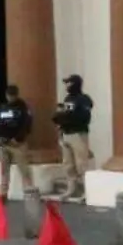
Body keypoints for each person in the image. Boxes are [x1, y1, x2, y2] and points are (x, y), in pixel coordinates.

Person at [53, 74, 94, 203]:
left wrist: (67, 117)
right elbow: (64, 114)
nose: (66, 86)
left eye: (68, 83)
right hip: (66, 133)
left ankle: (87, 191)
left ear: (75, 84)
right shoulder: (67, 98)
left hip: (78, 133)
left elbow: (84, 117)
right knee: (68, 165)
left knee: (82, 164)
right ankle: (71, 189)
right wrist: (60, 118)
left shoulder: (84, 99)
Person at [0, 84, 33, 199]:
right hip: (4, 144)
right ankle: (3, 193)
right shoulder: (1, 108)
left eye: (13, 95)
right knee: (4, 170)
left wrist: (18, 138)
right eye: (9, 95)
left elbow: (27, 125)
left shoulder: (23, 108)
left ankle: (29, 191)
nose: (11, 98)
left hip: (18, 144)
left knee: (24, 169)